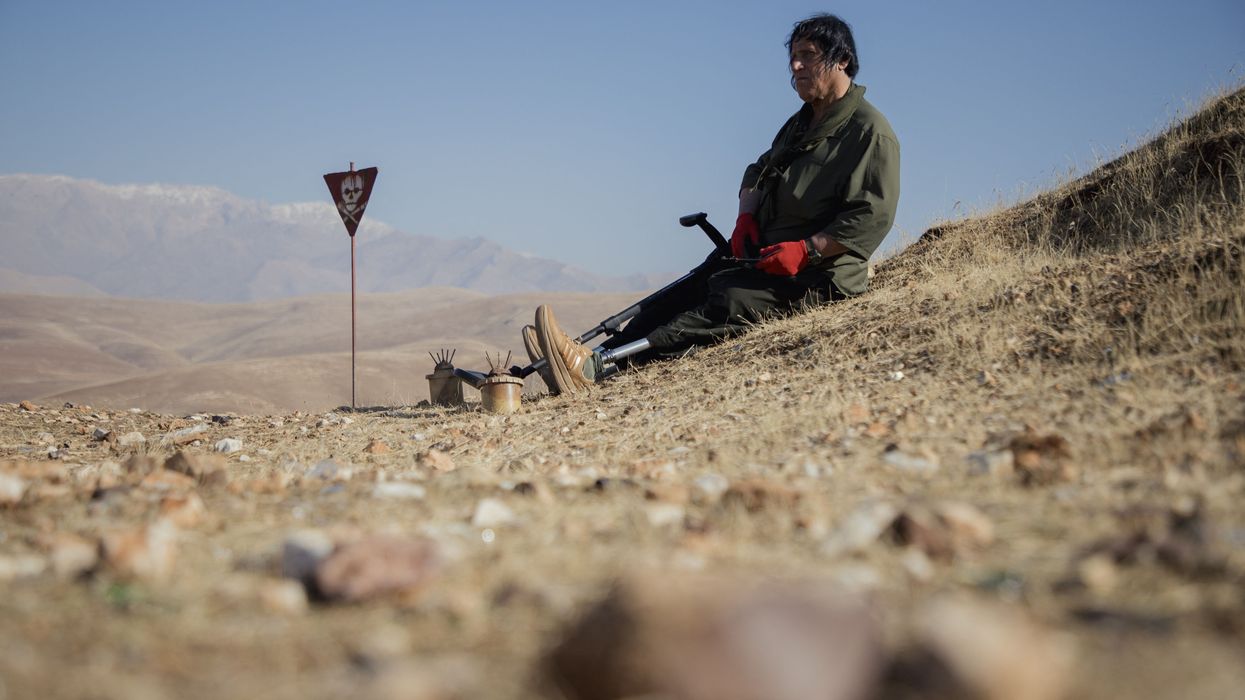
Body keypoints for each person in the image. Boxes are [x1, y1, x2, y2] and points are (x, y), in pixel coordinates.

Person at [526, 13, 900, 395]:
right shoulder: (801, 123)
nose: (795, 66)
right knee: (684, 291)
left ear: (841, 59)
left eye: (807, 55)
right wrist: (746, 219)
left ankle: (598, 367)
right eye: (793, 57)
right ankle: (592, 359)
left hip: (818, 276)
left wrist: (807, 251)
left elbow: (871, 216)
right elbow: (759, 169)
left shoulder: (870, 133)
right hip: (765, 256)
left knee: (728, 300)